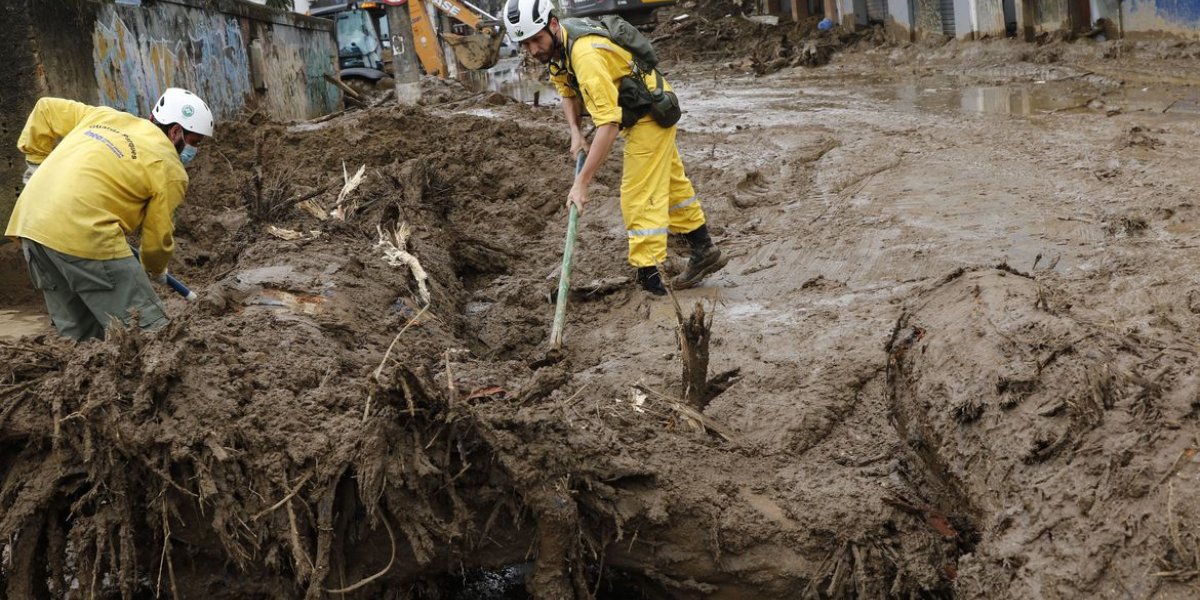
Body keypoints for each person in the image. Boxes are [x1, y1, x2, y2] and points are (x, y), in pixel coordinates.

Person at [504, 0, 727, 296]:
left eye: (536, 39)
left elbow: (608, 125)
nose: (533, 50)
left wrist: (582, 184)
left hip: (650, 112)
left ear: (553, 25)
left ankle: (652, 281)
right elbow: (566, 91)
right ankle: (703, 250)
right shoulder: (559, 49)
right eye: (525, 44)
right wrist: (575, 132)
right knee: (672, 186)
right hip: (638, 107)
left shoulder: (585, 55)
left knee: (638, 194)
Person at [5, 88, 214, 341]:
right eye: (194, 142)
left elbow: (45, 109)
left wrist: (35, 164)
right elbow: (157, 237)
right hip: (86, 235)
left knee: (80, 340)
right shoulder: (170, 167)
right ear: (175, 131)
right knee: (151, 336)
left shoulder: (104, 117)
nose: (194, 150)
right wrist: (155, 268)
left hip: (30, 225)